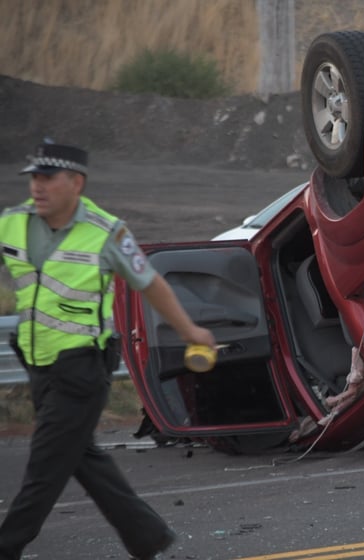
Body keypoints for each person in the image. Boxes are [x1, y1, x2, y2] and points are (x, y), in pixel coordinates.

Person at [0, 141, 216, 560]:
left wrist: (190, 331)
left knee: (44, 467)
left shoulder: (106, 232)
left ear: (75, 183)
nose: (37, 187)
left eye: (47, 178)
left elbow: (150, 283)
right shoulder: (12, 223)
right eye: (34, 178)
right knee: (80, 455)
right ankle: (147, 536)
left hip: (81, 371)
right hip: (38, 366)